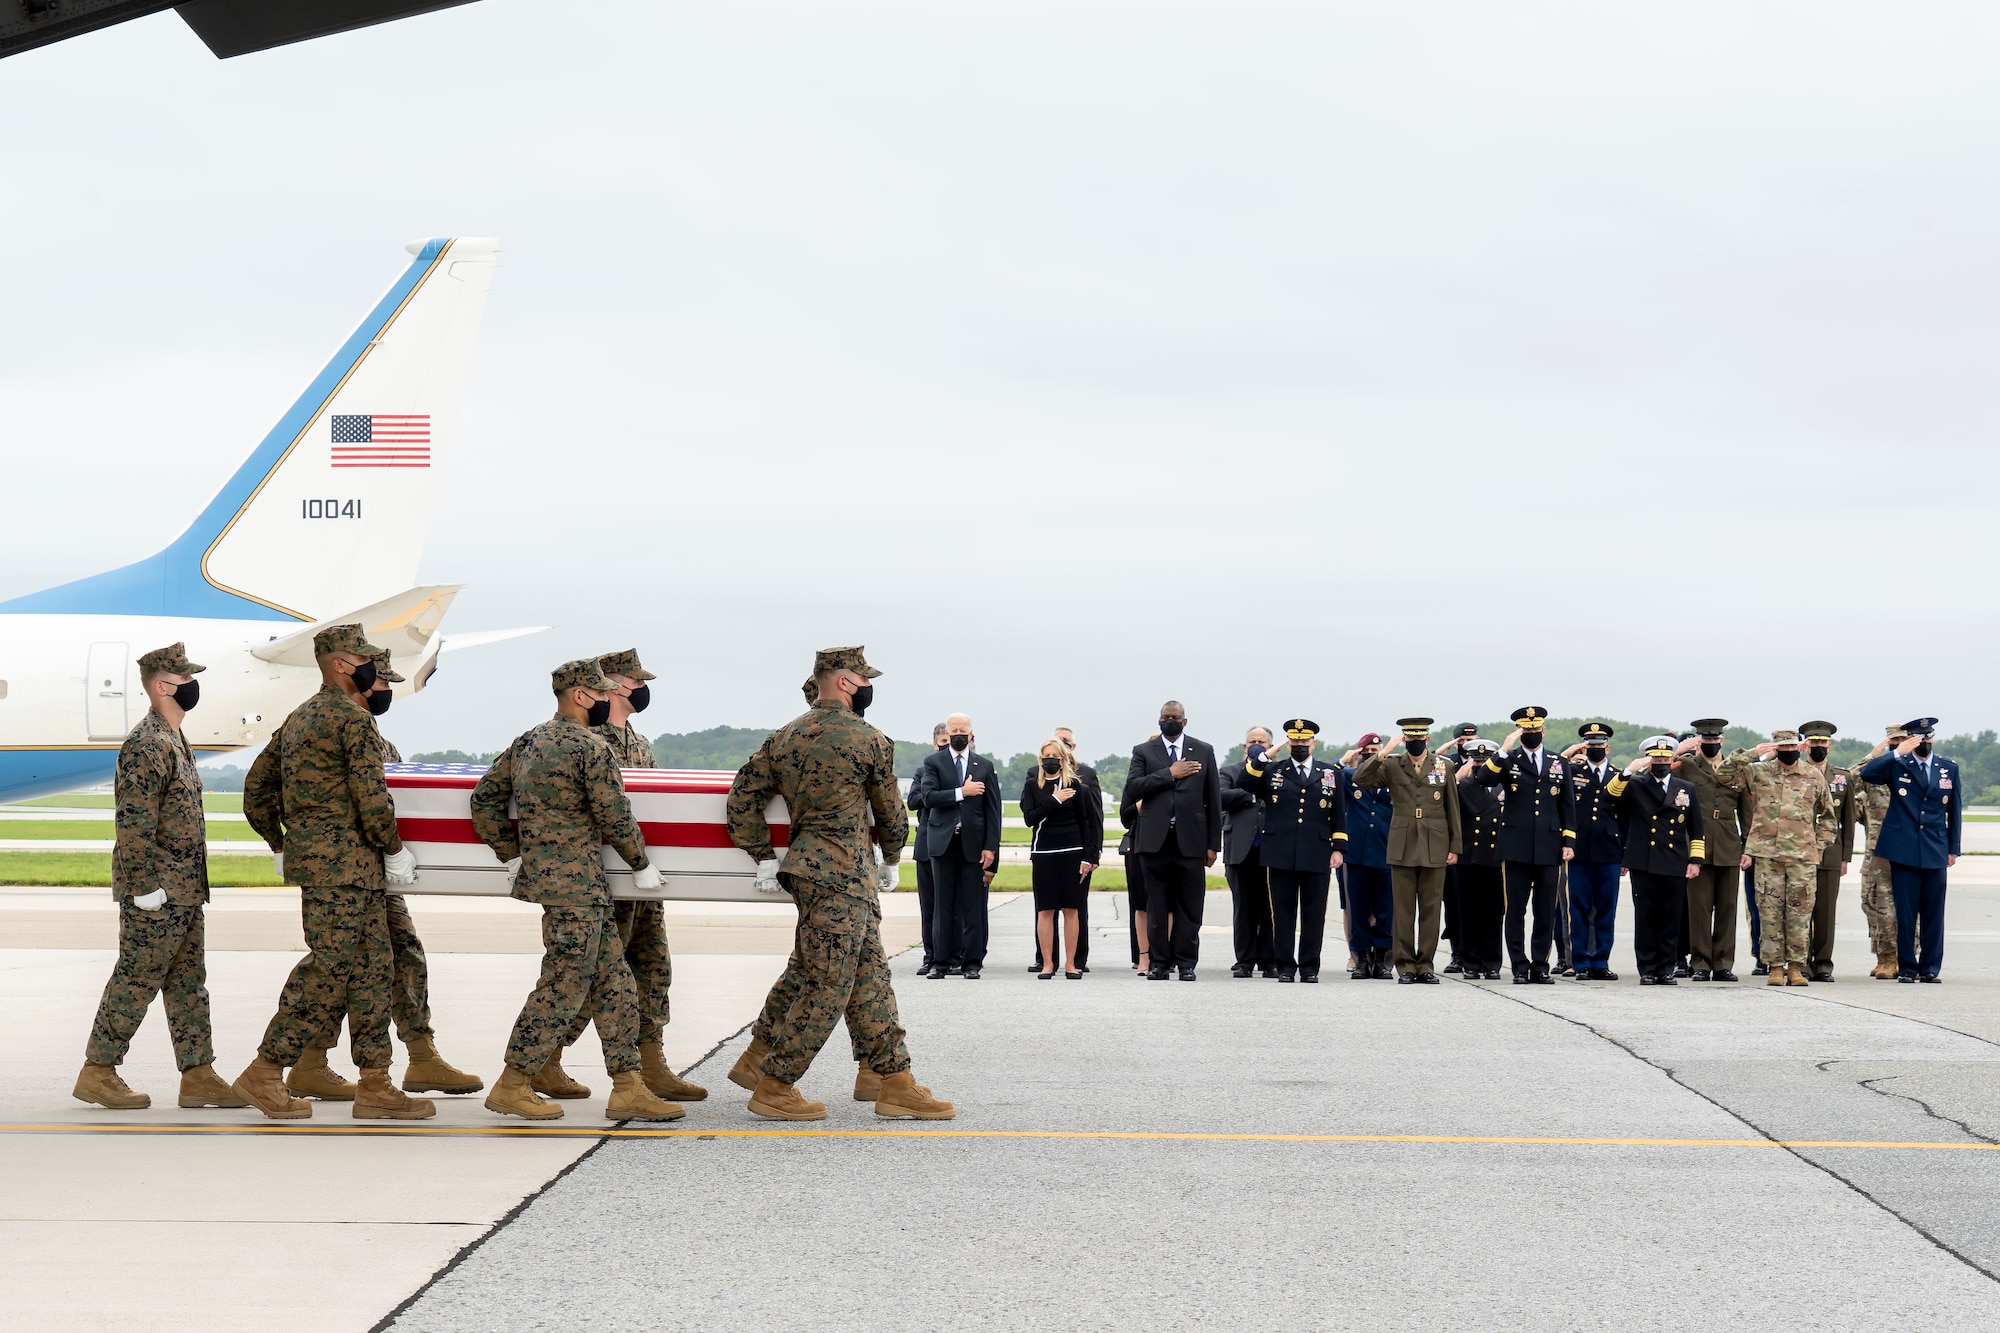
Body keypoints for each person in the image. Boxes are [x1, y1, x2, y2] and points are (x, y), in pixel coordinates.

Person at [724, 646, 951, 1120]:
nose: (868, 686)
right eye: (864, 678)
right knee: (829, 983)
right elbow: (890, 810)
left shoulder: (784, 737)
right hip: (844, 873)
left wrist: (763, 856)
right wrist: (891, 856)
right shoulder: (868, 738)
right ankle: (775, 1082)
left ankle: (894, 1080)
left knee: (869, 976)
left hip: (809, 872)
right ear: (845, 682)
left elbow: (742, 799)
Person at [470, 659, 681, 1122]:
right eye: (602, 692)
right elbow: (613, 813)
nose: (609, 699)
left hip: (563, 883)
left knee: (615, 982)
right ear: (581, 696)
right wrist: (641, 863)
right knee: (563, 983)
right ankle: (513, 1082)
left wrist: (516, 854)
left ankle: (628, 1087)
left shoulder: (528, 741)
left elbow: (483, 798)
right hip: (578, 885)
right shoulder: (589, 746)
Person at [234, 624, 428, 1120]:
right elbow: (371, 795)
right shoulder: (352, 720)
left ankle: (375, 1083)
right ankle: (265, 1070)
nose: (369, 669)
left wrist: (282, 842)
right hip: (347, 866)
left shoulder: (298, 719)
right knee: (327, 970)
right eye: (362, 659)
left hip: (334, 867)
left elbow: (256, 788)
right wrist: (393, 848)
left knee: (372, 970)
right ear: (343, 664)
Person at [289, 650, 483, 1102]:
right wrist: (292, 841)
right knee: (347, 966)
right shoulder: (332, 728)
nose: (385, 691)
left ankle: (420, 1056)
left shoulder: (373, 737)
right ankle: (309, 1062)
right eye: (381, 682)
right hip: (351, 867)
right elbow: (267, 788)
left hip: (372, 871)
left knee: (403, 955)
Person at [73, 643, 245, 1112]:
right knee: (136, 978)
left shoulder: (173, 738)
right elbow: (133, 821)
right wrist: (144, 885)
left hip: (184, 889)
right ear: (164, 686)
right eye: (186, 677)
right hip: (158, 890)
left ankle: (199, 1075)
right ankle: (98, 1071)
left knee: (189, 981)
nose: (193, 685)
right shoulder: (148, 742)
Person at [537, 649, 706, 1103]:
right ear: (609, 687)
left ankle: (652, 1064)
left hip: (642, 880)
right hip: (603, 879)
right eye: (634, 682)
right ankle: (545, 1060)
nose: (642, 690)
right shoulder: (582, 741)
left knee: (653, 969)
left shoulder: (639, 741)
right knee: (595, 977)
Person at [1718, 730, 1837, 987]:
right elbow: (1723, 775)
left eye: (1792, 746)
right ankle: (1774, 966)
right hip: (1767, 855)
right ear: (1776, 748)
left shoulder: (1812, 775)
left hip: (1802, 857)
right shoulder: (1758, 772)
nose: (1788, 751)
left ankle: (1796, 967)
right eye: (1782, 746)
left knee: (1800, 914)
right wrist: (1754, 753)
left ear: (1800, 747)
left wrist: (1817, 846)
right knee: (1769, 913)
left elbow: (1828, 816)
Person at [1352, 718, 1460, 984]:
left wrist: (1455, 846)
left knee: (1431, 909)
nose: (1414, 743)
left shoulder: (1444, 766)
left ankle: (1425, 964)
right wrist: (1383, 752)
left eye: (1419, 738)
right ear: (1403, 739)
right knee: (1402, 910)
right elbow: (1360, 778)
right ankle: (1405, 966)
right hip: (1402, 843)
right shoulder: (1391, 764)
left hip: (1435, 843)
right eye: (1409, 738)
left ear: (1428, 739)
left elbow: (1452, 808)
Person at [1475, 706, 1576, 984]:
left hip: (1549, 845)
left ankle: (1540, 965)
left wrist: (1568, 841)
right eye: (1526, 730)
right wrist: (1503, 750)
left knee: (1545, 910)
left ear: (1543, 730)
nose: (1531, 734)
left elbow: (1567, 805)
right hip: (1516, 846)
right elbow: (1483, 779)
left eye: (1535, 729)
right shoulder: (1509, 759)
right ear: (1520, 732)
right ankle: (1519, 965)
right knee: (1516, 910)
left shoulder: (1558, 762)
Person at [1857, 718, 1962, 983]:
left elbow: (1955, 811)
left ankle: (1929, 967)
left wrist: (1953, 849)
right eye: (1918, 738)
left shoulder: (1948, 768)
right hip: (1903, 849)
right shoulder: (1898, 765)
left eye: (1927, 738)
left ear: (1933, 738)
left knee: (1933, 913)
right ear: (1910, 740)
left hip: (1935, 849)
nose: (1924, 743)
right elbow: (1867, 775)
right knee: (1905, 912)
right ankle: (1906, 966)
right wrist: (1895, 753)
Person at [1243, 719, 1348, 983]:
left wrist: (1339, 848)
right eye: (1295, 741)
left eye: (1304, 741)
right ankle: (1285, 966)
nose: (1300, 745)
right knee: (1283, 913)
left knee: (1314, 914)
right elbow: (1246, 781)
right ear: (1288, 743)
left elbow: (1338, 814)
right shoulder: (1274, 770)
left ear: (1313, 743)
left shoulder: (1329, 773)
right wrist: (1263, 757)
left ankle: (1310, 967)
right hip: (1280, 852)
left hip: (1317, 851)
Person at [1125, 701, 1223, 980]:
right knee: (1157, 905)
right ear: (1159, 719)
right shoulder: (1144, 751)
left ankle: (1186, 963)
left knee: (1190, 906)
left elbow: (1212, 799)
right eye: (1166, 717)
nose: (1170, 721)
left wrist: (1213, 844)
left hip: (1191, 840)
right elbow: (1133, 788)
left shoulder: (1203, 750)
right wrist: (1169, 773)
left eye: (1175, 717)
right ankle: (1159, 962)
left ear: (1185, 721)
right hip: (1154, 840)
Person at [1607, 737, 1705, 985]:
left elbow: (1696, 828)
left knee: (1671, 918)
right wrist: (1629, 770)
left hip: (1674, 861)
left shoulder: (1686, 788)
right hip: (1644, 861)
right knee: (1646, 917)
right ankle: (1648, 968)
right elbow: (1610, 795)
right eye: (1656, 759)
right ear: (1649, 761)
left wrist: (1695, 860)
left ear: (1672, 759)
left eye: (1664, 759)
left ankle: (1666, 968)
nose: (1661, 763)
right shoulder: (1636, 784)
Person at [914, 714, 1003, 979]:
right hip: (943, 843)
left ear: (971, 734)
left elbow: (992, 812)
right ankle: (940, 962)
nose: (959, 735)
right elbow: (927, 797)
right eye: (954, 731)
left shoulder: (984, 766)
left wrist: (990, 847)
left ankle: (971, 962)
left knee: (972, 906)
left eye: (963, 731)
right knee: (942, 906)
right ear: (948, 733)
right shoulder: (934, 763)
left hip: (972, 844)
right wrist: (961, 792)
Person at [1021, 738, 1103, 978]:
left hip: (1072, 853)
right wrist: (1054, 801)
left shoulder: (1077, 786)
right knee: (1045, 910)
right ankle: (1048, 963)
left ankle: (1070, 963)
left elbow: (1086, 822)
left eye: (1055, 756)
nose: (1050, 760)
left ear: (1064, 759)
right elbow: (1030, 818)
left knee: (1071, 909)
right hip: (1044, 853)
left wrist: (1089, 856)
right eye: (1046, 756)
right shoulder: (1032, 786)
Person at [1673, 719, 1748, 981]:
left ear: (1722, 741)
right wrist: (1676, 751)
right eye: (1705, 739)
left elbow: (1747, 813)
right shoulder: (1686, 766)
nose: (1711, 744)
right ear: (1699, 741)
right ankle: (1701, 964)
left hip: (1728, 843)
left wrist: (1747, 847)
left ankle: (1724, 963)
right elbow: (1656, 777)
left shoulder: (1737, 769)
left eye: (1715, 739)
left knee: (1728, 908)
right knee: (1699, 909)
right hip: (1697, 844)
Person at [1559, 723, 1624, 982]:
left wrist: (1625, 853)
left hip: (1609, 851)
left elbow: (1625, 817)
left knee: (1606, 909)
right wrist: (1570, 753)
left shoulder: (1618, 776)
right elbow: (1551, 769)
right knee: (1579, 908)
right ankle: (1581, 962)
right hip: (1579, 851)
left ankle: (1601, 961)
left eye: (1599, 745)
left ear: (1607, 747)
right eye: (1590, 745)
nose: (1595, 749)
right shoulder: (1572, 771)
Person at [1798, 722, 1856, 983]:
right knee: (1799, 911)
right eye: (1813, 743)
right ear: (1805, 746)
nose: (1818, 747)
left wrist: (1845, 857)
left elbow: (1849, 819)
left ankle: (1822, 963)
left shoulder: (1842, 777)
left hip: (1831, 853)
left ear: (1829, 746)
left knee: (1825, 911)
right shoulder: (1795, 772)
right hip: (1798, 851)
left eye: (1823, 743)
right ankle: (1800, 962)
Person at [1218, 726, 1277, 978]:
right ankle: (1244, 960)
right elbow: (1221, 796)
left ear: (1270, 746)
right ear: (1244, 747)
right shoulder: (1230, 771)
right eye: (1252, 741)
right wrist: (1252, 794)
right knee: (1243, 906)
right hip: (1240, 848)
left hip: (1271, 849)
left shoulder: (1279, 771)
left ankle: (1269, 959)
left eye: (1261, 741)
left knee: (1269, 907)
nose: (1256, 744)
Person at [1851, 725, 1909, 979]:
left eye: (1901, 740)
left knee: (1902, 908)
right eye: (1893, 740)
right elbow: (1848, 781)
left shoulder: (1914, 771)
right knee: (1872, 904)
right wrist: (1874, 756)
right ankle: (1883, 956)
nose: (1897, 744)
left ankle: (1901, 957)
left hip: (1906, 851)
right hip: (1876, 853)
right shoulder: (1876, 774)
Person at [1338, 733, 1395, 979]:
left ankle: (1381, 959)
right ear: (1359, 753)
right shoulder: (1350, 777)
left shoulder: (1393, 778)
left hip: (1387, 851)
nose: (1372, 752)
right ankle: (1361, 958)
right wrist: (1342, 761)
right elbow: (1328, 778)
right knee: (1358, 910)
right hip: (1358, 852)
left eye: (1376, 748)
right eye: (1367, 749)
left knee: (1385, 911)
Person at [1453, 740, 1507, 979]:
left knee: (1494, 913)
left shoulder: (1505, 786)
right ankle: (1471, 962)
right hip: (1469, 858)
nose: (1480, 765)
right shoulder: (1463, 785)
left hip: (1496, 858)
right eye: (1476, 760)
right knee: (1469, 913)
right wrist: (1456, 777)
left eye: (1485, 761)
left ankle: (1492, 962)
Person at [1435, 723, 1483, 972]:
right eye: (1464, 740)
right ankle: (1457, 953)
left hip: (1483, 845)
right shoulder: (1446, 763)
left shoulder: (1488, 761)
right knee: (1453, 903)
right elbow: (1435, 792)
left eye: (1472, 738)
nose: (1469, 743)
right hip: (1455, 842)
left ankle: (1479, 955)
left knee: (1479, 904)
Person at [912, 722, 950, 975]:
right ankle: (930, 955)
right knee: (929, 906)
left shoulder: (963, 772)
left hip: (951, 844)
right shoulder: (922, 771)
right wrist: (933, 790)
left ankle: (952, 955)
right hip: (927, 844)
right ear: (935, 744)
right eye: (943, 744)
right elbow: (914, 800)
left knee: (951, 905)